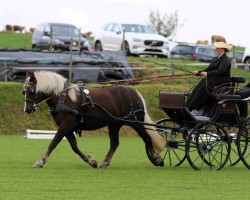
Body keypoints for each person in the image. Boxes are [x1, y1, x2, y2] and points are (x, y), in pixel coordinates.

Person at [186, 42, 232, 112]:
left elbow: (220, 71)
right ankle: (187, 106)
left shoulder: (226, 60)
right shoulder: (215, 58)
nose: (215, 50)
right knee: (197, 89)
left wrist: (207, 74)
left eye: (217, 48)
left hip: (221, 81)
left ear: (222, 49)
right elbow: (208, 69)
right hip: (213, 79)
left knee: (201, 90)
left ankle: (192, 108)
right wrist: (198, 72)